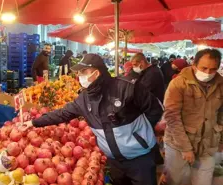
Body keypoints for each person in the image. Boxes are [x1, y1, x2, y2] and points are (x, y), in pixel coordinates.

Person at [20, 54, 163, 185]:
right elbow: (62, 114)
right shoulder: (84, 99)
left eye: (83, 72)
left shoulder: (127, 87)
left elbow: (155, 108)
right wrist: (34, 122)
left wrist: (141, 133)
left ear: (96, 73)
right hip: (114, 162)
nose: (79, 76)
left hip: (140, 159)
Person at [163, 49, 223, 185]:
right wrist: (185, 148)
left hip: (208, 143)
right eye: (204, 68)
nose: (208, 73)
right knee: (177, 181)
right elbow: (172, 117)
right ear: (194, 64)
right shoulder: (178, 83)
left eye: (213, 69)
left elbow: (221, 114)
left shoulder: (221, 84)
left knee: (203, 181)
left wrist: (221, 140)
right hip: (178, 144)